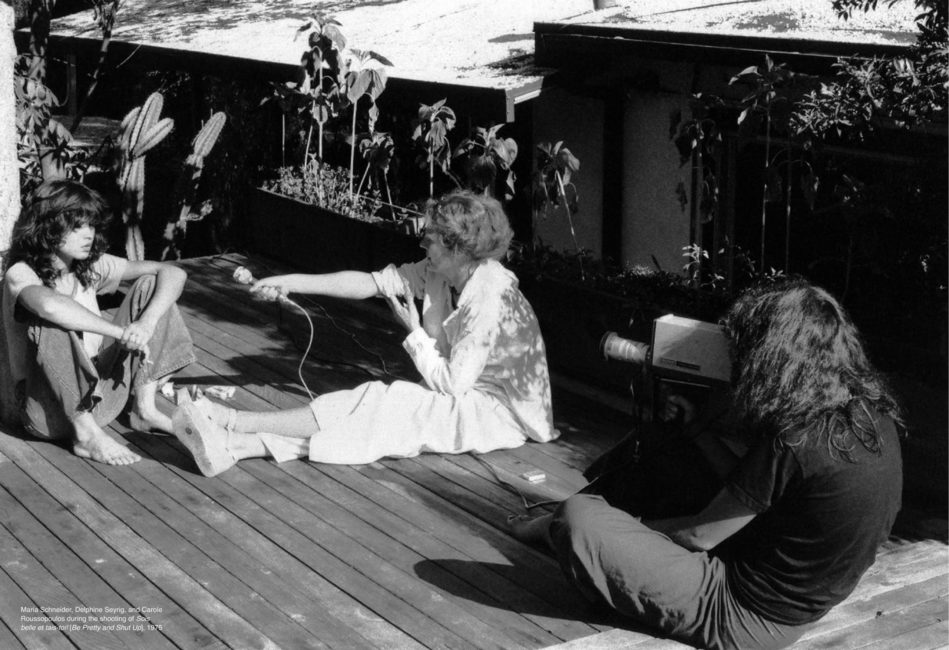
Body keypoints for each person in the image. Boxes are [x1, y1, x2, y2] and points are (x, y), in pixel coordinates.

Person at [510, 278, 903, 650]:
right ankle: (570, 525)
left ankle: (554, 526)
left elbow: (699, 538)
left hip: (740, 610)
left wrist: (634, 534)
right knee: (685, 451)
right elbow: (759, 493)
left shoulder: (796, 440)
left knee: (577, 518)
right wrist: (698, 429)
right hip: (796, 597)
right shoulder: (870, 415)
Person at [171, 190, 557, 476]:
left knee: (382, 407)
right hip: (464, 395)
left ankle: (231, 423)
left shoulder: (489, 295)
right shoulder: (441, 272)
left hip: (497, 414)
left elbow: (454, 384)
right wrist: (289, 282)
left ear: (456, 248)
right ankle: (237, 442)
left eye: (431, 239)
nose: (423, 244)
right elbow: (370, 283)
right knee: (372, 410)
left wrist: (413, 331)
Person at [2, 179, 195, 466]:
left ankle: (145, 409)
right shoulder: (20, 272)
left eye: (91, 225)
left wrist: (146, 324)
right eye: (77, 225)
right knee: (50, 320)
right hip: (43, 411)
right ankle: (86, 437)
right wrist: (118, 332)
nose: (88, 234)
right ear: (47, 226)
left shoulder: (88, 266)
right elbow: (49, 305)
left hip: (99, 399)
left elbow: (173, 272)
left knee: (151, 286)